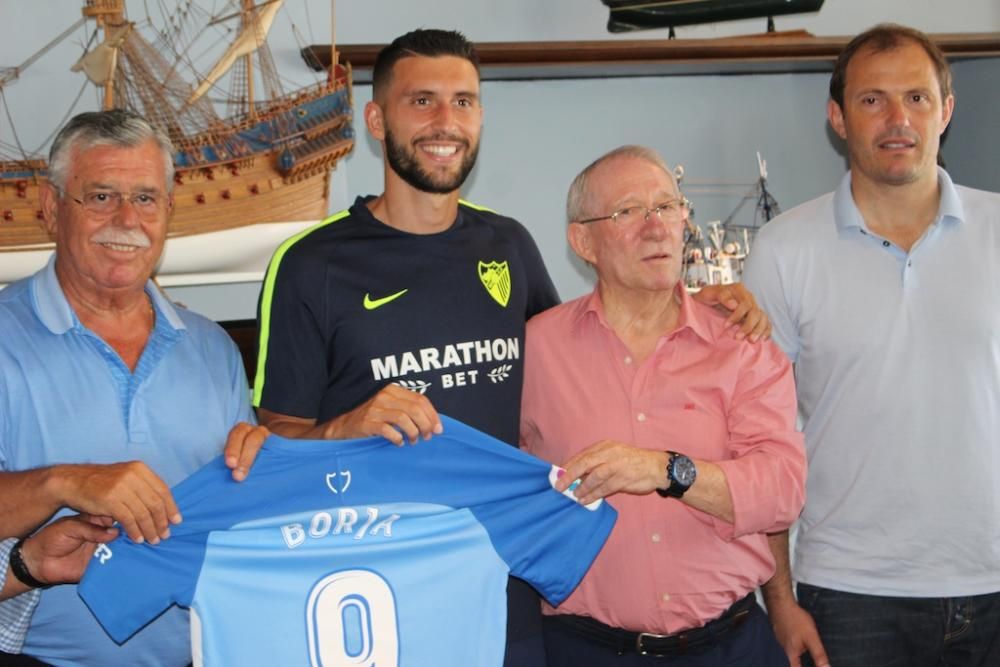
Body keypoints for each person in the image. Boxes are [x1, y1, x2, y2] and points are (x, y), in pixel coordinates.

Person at [253, 29, 770, 666]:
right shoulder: (310, 265)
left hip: (512, 597)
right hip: (381, 595)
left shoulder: (508, 246)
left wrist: (705, 300)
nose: (447, 121)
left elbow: (594, 354)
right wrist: (349, 427)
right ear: (376, 120)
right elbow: (273, 445)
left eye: (464, 102)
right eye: (423, 101)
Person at [744, 23, 1000, 667]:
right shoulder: (783, 251)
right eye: (871, 99)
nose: (897, 118)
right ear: (837, 117)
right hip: (849, 593)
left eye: (916, 98)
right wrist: (780, 598)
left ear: (946, 110)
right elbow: (756, 438)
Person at [519, 144, 805, 666]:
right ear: (583, 240)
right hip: (584, 650)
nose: (656, 227)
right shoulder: (536, 350)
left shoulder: (742, 343)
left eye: (668, 207)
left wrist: (664, 470)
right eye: (628, 211)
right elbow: (503, 489)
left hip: (731, 646)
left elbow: (782, 490)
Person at [0, 109, 267, 666]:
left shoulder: (213, 349)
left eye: (146, 198)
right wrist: (62, 482)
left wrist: (264, 472)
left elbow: (242, 518)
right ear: (51, 209)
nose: (126, 219)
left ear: (169, 211)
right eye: (100, 196)